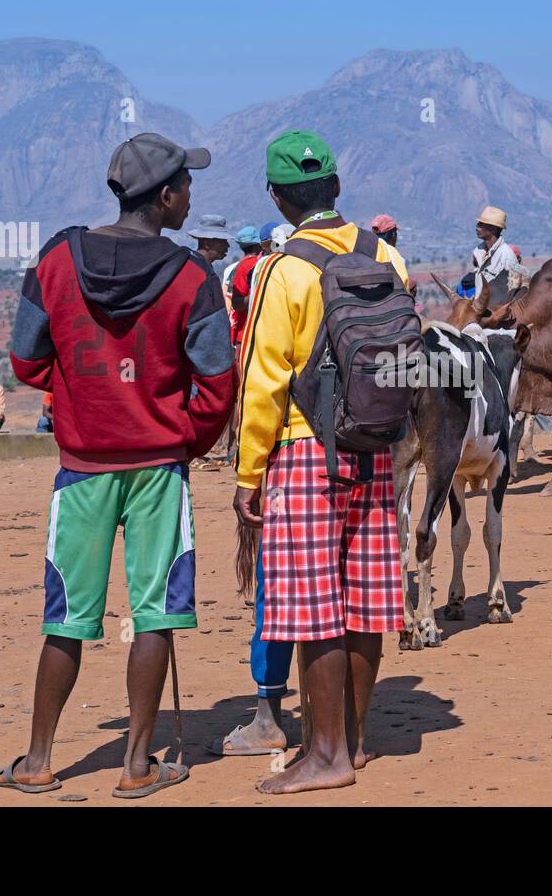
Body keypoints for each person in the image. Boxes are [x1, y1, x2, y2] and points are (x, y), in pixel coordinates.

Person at [0, 132, 235, 798]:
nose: (191, 195)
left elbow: (25, 359)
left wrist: (79, 394)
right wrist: (182, 438)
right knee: (155, 613)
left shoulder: (55, 260)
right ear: (165, 197)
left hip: (81, 466)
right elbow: (218, 382)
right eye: (186, 185)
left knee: (66, 616)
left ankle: (39, 760)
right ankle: (136, 766)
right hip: (160, 467)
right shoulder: (193, 277)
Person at [233, 129, 409, 794]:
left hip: (306, 453)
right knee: (365, 603)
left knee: (313, 612)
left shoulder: (284, 270)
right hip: (375, 447)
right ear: (336, 187)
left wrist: (250, 477)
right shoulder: (385, 252)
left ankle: (324, 754)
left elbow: (263, 383)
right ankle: (356, 742)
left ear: (278, 198)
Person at [465, 206, 521, 295]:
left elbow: (513, 291)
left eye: (481, 224)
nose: (477, 227)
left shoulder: (506, 256)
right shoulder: (480, 252)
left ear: (493, 229)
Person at [228, 226, 263, 345]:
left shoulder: (242, 266)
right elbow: (237, 303)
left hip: (247, 333)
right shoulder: (251, 265)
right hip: (248, 335)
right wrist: (259, 294)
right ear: (257, 245)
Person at [188, 214, 236, 282]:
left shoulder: (205, 267)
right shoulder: (193, 269)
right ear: (207, 244)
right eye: (223, 241)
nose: (227, 245)